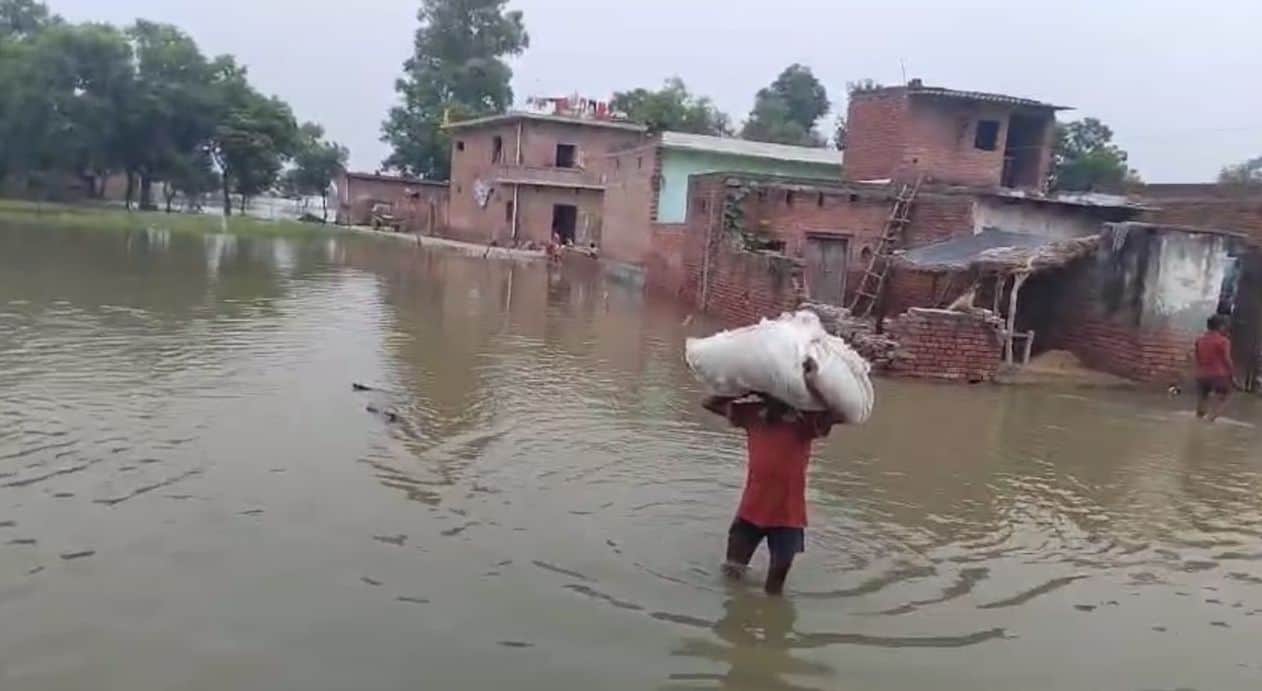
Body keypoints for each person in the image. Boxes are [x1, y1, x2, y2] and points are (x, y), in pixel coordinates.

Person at [703, 357, 842, 595]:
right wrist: (745, 386)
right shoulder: (752, 414)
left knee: (774, 590)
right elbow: (709, 402)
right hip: (749, 513)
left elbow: (836, 413)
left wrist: (813, 382)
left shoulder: (805, 422)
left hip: (787, 519)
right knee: (731, 574)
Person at [1194, 314, 1235, 421]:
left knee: (1203, 397)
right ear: (1221, 326)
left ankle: (1199, 418)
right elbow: (1227, 359)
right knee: (1225, 396)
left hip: (1202, 374)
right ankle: (1210, 419)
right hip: (1218, 375)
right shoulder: (1223, 341)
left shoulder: (1200, 340)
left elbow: (1197, 358)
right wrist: (1232, 374)